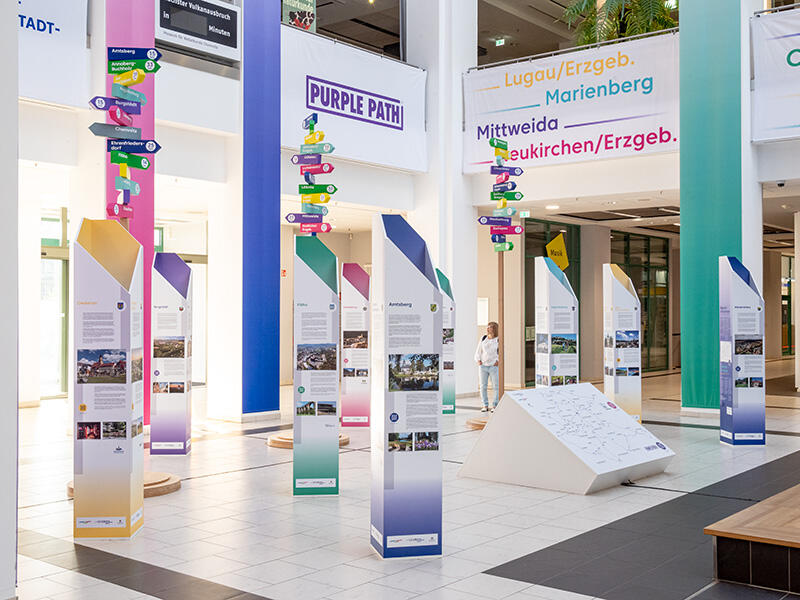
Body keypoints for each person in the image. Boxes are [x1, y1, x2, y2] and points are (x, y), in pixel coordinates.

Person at [474, 322, 500, 412]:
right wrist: (478, 360)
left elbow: (502, 351)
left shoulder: (498, 339)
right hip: (483, 366)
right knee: (483, 386)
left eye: (490, 327)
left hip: (493, 366)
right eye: (487, 327)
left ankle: (495, 405)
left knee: (496, 386)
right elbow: (478, 351)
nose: (488, 329)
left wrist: (498, 361)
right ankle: (485, 405)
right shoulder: (483, 338)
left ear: (495, 329)